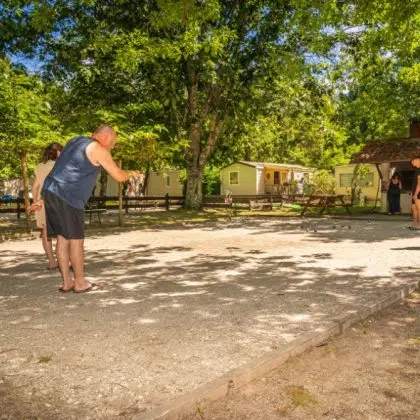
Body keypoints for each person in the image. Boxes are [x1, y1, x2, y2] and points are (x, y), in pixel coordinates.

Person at [31, 126, 141, 293]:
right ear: (105, 137)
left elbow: (60, 170)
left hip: (51, 191)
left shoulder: (75, 140)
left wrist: (42, 199)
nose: (112, 146)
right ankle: (80, 282)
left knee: (62, 239)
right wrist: (132, 173)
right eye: (113, 142)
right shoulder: (99, 149)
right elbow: (118, 175)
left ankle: (67, 282)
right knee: (76, 241)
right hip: (69, 197)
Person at [30, 143, 63, 269]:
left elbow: (35, 186)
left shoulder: (40, 166)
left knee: (45, 232)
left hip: (40, 200)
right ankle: (62, 260)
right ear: (58, 152)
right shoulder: (60, 165)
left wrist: (36, 201)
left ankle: (51, 261)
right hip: (55, 200)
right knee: (61, 232)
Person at [410, 156, 420, 230]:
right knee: (414, 208)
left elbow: (419, 184)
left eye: (413, 161)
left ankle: (419, 224)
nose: (412, 162)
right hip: (414, 192)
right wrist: (413, 193)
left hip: (418, 192)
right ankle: (415, 223)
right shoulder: (417, 170)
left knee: (419, 208)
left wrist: (416, 194)